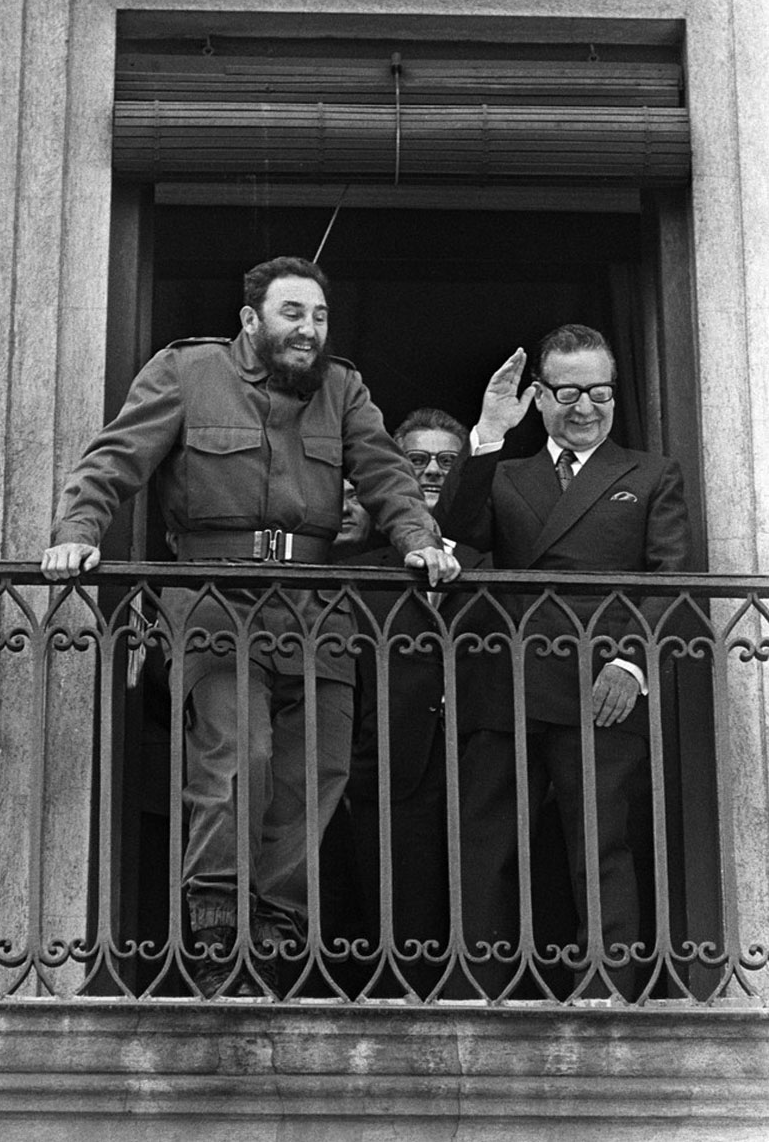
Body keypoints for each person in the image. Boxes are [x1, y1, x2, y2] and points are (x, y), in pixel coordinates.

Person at [41, 255, 459, 997]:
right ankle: (217, 935)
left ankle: (271, 936)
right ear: (250, 319)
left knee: (317, 770)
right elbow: (114, 459)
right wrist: (79, 528)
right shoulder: (185, 373)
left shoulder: (344, 387)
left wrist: (419, 538)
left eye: (319, 316)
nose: (309, 329)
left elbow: (387, 475)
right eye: (293, 313)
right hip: (213, 594)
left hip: (314, 601)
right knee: (240, 755)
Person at [434, 325, 691, 999]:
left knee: (600, 841)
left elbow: (668, 580)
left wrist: (632, 665)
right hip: (504, 678)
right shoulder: (508, 473)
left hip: (600, 682)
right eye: (570, 391)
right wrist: (486, 435)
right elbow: (458, 533)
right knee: (485, 842)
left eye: (600, 392)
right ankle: (474, 985)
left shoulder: (651, 472)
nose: (585, 407)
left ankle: (605, 984)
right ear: (541, 397)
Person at [345, 408, 494, 997]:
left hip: (479, 763)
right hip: (382, 766)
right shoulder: (356, 571)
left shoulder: (494, 565)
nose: (432, 472)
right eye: (417, 461)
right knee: (385, 911)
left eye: (447, 462)